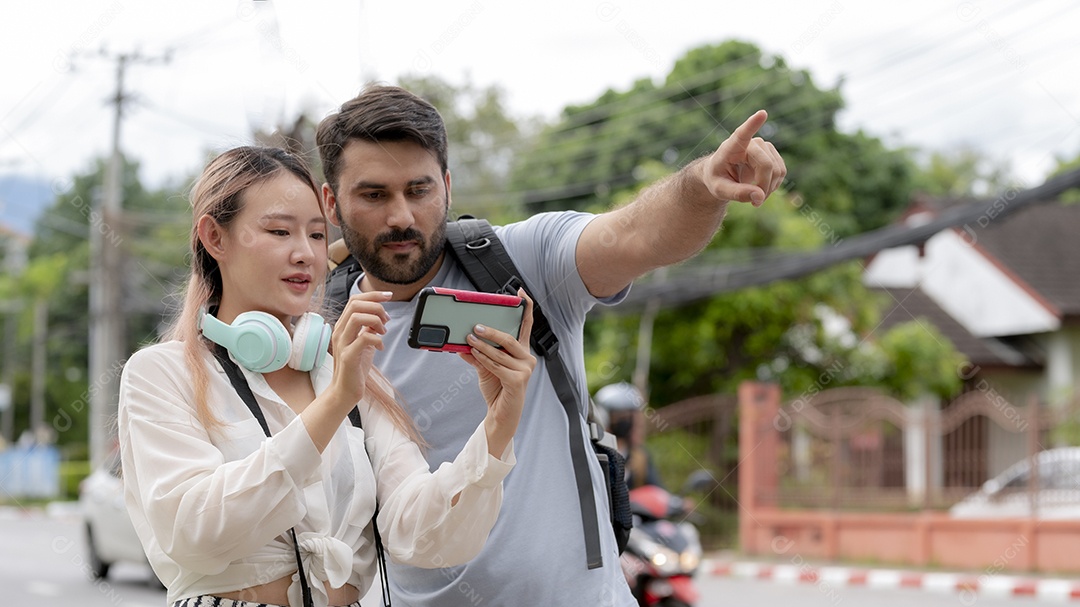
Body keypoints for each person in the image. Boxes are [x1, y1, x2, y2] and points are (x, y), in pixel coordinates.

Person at [316, 84, 786, 606]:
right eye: (374, 195)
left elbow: (639, 233)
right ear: (332, 204)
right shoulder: (320, 331)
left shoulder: (522, 263)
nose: (401, 216)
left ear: (447, 187)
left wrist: (701, 185)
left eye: (419, 190)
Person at [117, 146, 536, 607]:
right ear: (215, 237)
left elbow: (425, 539)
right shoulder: (161, 374)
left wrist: (498, 426)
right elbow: (195, 533)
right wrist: (334, 403)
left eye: (318, 235)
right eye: (279, 231)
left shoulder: (354, 380)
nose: (305, 254)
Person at [594, 382, 663, 491]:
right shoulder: (595, 453)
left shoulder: (639, 457)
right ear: (604, 417)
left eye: (628, 416)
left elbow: (656, 490)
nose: (625, 421)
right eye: (620, 416)